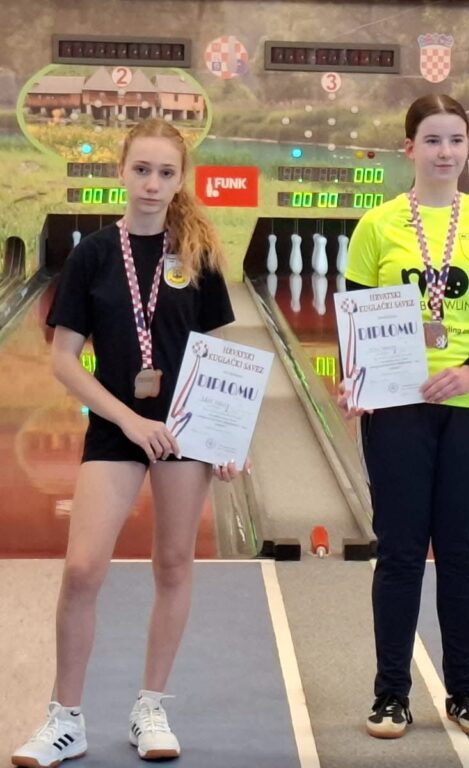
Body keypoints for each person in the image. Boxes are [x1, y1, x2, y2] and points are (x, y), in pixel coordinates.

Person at [12, 119, 239, 767]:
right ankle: (66, 719)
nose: (152, 184)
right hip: (117, 425)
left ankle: (151, 707)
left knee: (173, 564)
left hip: (186, 427)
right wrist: (131, 421)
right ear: (121, 171)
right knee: (83, 569)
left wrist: (227, 434)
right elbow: (64, 361)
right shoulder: (92, 255)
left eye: (166, 173)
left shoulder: (195, 254)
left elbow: (219, 355)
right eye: (141, 170)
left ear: (181, 179)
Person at [337, 94, 469, 739]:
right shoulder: (378, 225)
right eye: (433, 140)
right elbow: (357, 318)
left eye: (456, 140)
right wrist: (357, 381)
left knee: (461, 554)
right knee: (399, 553)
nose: (446, 152)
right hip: (397, 409)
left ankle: (464, 692)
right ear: (409, 148)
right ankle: (391, 693)